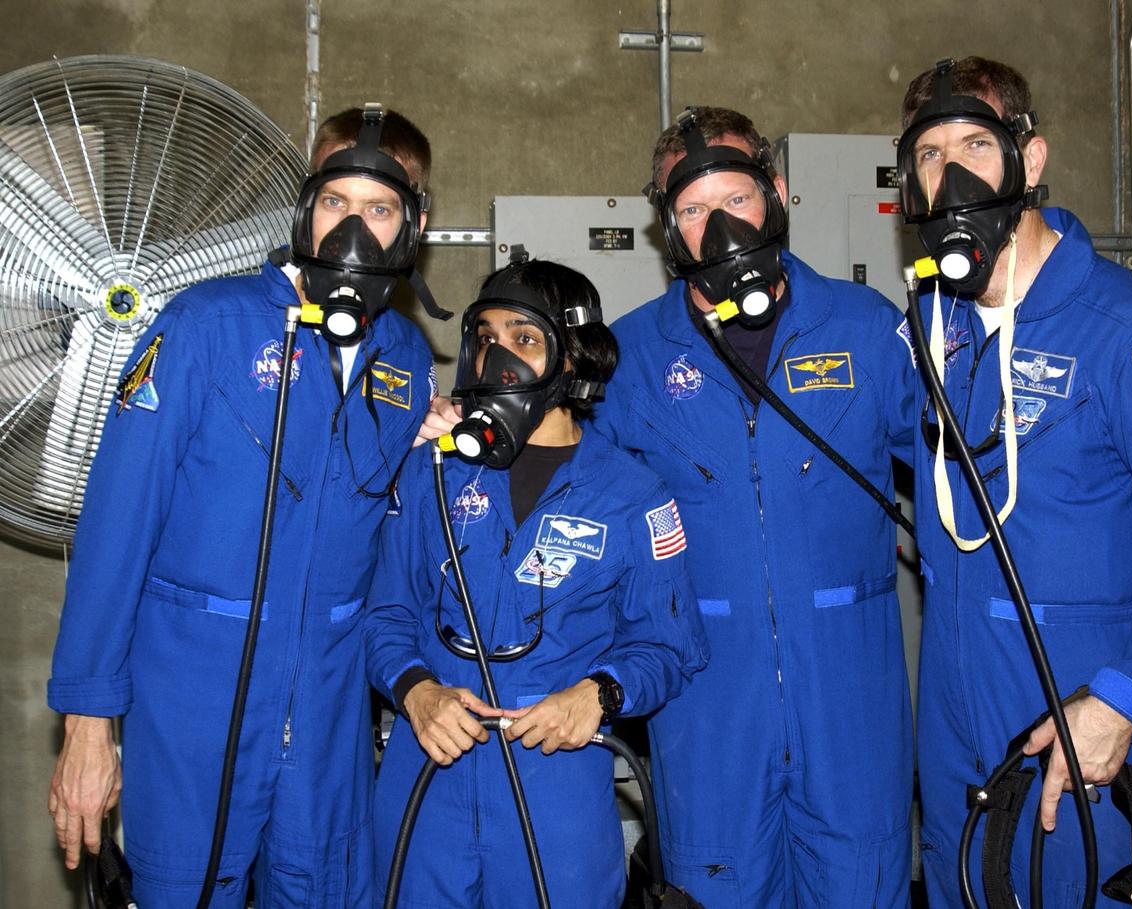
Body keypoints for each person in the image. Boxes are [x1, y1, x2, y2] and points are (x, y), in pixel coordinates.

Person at [46, 105, 441, 907]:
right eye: (336, 201)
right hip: (195, 697)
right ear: (304, 205)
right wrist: (89, 723)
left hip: (329, 709)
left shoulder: (404, 357)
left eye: (380, 209)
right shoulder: (202, 327)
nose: (353, 228)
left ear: (415, 224)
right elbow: (116, 527)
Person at [898, 57, 1132, 906]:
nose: (951, 175)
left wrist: (1121, 702)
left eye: (977, 145)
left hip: (1083, 718)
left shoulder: (1131, 330)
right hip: (955, 719)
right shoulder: (925, 334)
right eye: (928, 154)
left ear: (1031, 158)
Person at [603, 107, 917, 907]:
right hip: (707, 706)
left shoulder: (866, 326)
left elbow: (960, 480)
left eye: (735, 199)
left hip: (851, 702)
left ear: (776, 194)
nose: (718, 228)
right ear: (667, 226)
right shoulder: (632, 355)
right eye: (694, 210)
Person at [364, 258, 707, 908]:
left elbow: (669, 645)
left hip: (556, 775)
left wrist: (598, 693)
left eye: (524, 339)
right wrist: (415, 689)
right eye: (486, 338)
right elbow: (384, 613)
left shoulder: (631, 494)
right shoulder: (429, 471)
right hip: (429, 765)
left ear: (574, 357)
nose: (499, 359)